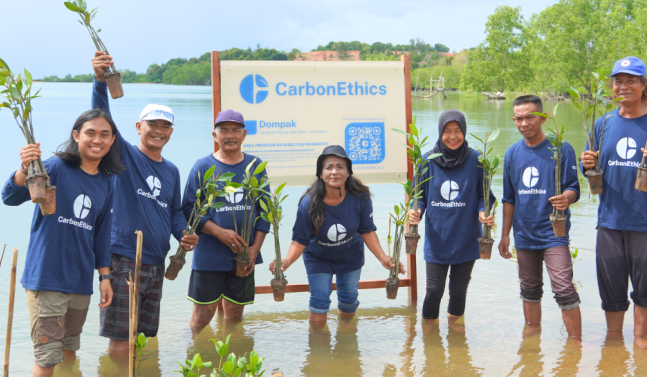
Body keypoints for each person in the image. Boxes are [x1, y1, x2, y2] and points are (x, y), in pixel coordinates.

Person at [1, 110, 124, 376]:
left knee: (69, 350)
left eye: (105, 134)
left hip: (80, 281)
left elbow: (101, 234)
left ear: (112, 140)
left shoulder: (107, 182)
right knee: (47, 357)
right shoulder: (55, 168)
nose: (97, 139)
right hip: (48, 277)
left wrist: (105, 277)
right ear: (76, 135)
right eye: (90, 132)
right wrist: (24, 168)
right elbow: (10, 197)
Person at [91, 51, 198, 351]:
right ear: (139, 127)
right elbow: (101, 117)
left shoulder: (171, 170)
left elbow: (174, 211)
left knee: (145, 339)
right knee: (121, 340)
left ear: (171, 132)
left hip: (156, 262)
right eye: (153, 124)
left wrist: (183, 233)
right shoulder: (123, 154)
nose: (159, 131)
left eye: (165, 126)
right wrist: (100, 82)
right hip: (124, 259)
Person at [580, 56, 647, 349]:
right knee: (611, 287)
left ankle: (640, 339)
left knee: (645, 287)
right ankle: (614, 338)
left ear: (643, 85)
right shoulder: (602, 123)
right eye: (618, 81)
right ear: (612, 86)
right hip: (610, 221)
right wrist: (585, 163)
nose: (623, 86)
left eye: (631, 80)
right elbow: (590, 168)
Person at [271, 145, 403, 328]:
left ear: (348, 172)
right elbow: (300, 240)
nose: (335, 172)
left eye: (340, 167)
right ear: (320, 173)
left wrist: (383, 258)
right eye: (329, 167)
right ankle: (318, 350)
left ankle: (346, 344)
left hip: (350, 255)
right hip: (318, 257)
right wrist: (286, 261)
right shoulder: (308, 204)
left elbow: (367, 230)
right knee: (319, 301)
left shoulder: (361, 198)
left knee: (349, 299)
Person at [499, 95, 582, 340]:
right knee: (529, 289)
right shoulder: (512, 153)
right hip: (524, 234)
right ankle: (531, 341)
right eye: (519, 119)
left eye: (529, 117)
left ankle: (575, 345)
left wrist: (566, 198)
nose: (524, 123)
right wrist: (505, 235)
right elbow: (509, 198)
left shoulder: (561, 148)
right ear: (514, 120)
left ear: (542, 118)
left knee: (564, 288)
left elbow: (574, 188)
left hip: (553, 233)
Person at [183, 109, 269, 331]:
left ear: (244, 134)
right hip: (209, 256)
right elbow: (189, 208)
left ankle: (231, 360)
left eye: (235, 130)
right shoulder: (202, 167)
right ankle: (197, 360)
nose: (230, 135)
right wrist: (219, 232)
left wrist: (253, 250)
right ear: (215, 135)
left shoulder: (255, 167)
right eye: (224, 130)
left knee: (235, 314)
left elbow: (265, 214)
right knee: (203, 315)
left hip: (243, 256)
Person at [407, 109, 495, 324]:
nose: (453, 136)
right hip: (438, 238)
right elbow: (418, 196)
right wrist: (414, 209)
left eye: (458, 131)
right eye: (447, 131)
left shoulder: (477, 159)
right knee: (433, 291)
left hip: (466, 236)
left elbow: (484, 196)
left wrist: (483, 211)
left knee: (458, 291)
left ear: (464, 131)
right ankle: (430, 343)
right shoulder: (427, 160)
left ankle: (457, 342)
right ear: (440, 132)